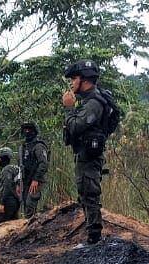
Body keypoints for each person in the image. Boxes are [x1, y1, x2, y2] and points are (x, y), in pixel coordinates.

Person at [62, 60, 114, 245]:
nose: (71, 82)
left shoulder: (94, 103)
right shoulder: (88, 101)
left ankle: (94, 238)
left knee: (90, 193)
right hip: (85, 154)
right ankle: (91, 233)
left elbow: (75, 127)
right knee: (85, 192)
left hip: (90, 157)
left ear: (84, 80)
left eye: (74, 78)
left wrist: (69, 108)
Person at [18, 121, 50, 218]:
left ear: (34, 131)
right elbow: (19, 166)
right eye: (25, 129)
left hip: (35, 180)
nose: (27, 131)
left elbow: (43, 164)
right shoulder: (22, 147)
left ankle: (32, 227)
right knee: (24, 205)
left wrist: (36, 179)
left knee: (30, 205)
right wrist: (18, 183)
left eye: (29, 129)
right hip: (24, 180)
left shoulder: (39, 146)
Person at [0, 146, 22, 224]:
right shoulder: (14, 168)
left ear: (3, 159)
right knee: (14, 223)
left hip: (9, 201)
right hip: (16, 201)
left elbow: (7, 188)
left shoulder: (6, 170)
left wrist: (2, 203)